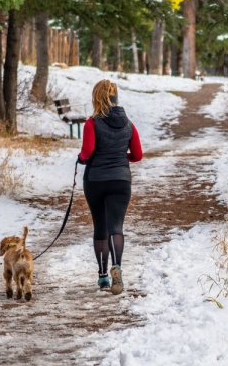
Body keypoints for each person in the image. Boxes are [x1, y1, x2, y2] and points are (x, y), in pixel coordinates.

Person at [78, 80, 142, 294]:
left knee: (100, 228)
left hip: (95, 180)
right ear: (116, 98)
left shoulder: (92, 123)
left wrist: (81, 158)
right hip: (121, 180)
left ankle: (103, 276)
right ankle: (118, 268)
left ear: (97, 98)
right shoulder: (129, 124)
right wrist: (120, 158)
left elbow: (87, 151)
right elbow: (138, 155)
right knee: (116, 227)